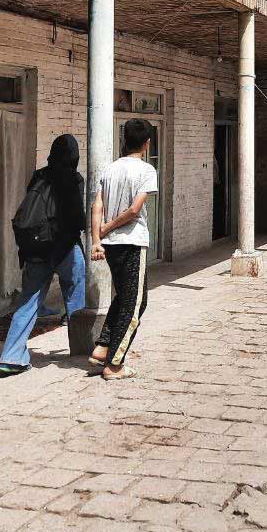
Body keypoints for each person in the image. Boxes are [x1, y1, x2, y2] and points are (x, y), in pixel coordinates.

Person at [0, 134, 87, 378]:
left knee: (28, 302)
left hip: (35, 250)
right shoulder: (73, 178)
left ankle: (11, 357)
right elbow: (77, 219)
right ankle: (81, 347)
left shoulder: (39, 176)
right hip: (64, 249)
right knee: (76, 294)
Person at [88, 118, 158, 381]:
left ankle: (102, 347)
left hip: (111, 246)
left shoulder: (110, 169)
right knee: (136, 303)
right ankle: (114, 364)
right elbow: (134, 210)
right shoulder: (146, 170)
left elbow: (97, 206)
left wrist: (97, 238)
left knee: (124, 297)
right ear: (147, 143)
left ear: (124, 140)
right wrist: (105, 229)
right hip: (131, 242)